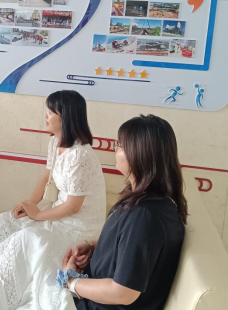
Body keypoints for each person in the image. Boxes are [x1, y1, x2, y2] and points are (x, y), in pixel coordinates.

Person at [0, 90, 106, 309]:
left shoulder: (81, 155)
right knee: (7, 220)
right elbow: (47, 178)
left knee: (27, 237)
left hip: (79, 225)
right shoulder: (55, 143)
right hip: (59, 211)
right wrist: (28, 205)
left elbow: (73, 207)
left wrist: (37, 215)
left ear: (66, 117)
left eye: (51, 112)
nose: (46, 116)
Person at [61, 114, 187, 310]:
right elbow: (130, 244)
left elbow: (123, 292)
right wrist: (94, 246)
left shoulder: (144, 216)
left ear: (138, 154)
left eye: (119, 145)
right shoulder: (151, 201)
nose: (115, 150)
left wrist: (70, 282)